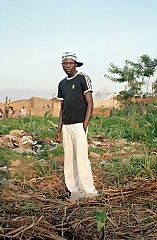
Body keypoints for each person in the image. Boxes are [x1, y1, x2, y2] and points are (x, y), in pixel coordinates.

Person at [56, 52, 98, 201]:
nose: (68, 66)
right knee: (69, 158)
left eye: (70, 63)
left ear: (75, 64)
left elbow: (90, 103)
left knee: (81, 158)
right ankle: (73, 189)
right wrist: (59, 129)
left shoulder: (82, 78)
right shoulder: (62, 84)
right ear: (62, 65)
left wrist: (85, 125)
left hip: (79, 124)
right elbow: (62, 108)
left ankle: (89, 192)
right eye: (65, 64)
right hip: (66, 126)